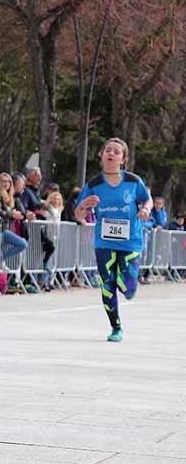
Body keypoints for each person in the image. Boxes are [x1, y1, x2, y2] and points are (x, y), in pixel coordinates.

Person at [75, 138, 152, 343]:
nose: (111, 153)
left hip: (130, 240)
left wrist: (146, 209)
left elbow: (147, 199)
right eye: (108, 150)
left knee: (128, 288)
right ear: (101, 156)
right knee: (106, 285)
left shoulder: (133, 181)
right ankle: (116, 327)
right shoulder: (94, 184)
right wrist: (84, 204)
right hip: (104, 241)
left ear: (123, 159)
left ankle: (128, 286)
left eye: (116, 152)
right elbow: (78, 214)